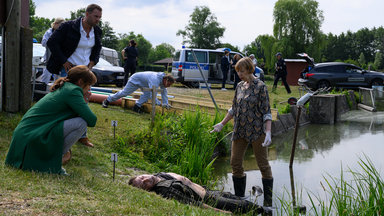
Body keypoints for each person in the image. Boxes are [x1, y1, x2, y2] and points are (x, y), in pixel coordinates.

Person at [5, 66, 97, 175]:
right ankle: (56, 159)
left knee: (79, 121)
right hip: (33, 136)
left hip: (25, 136)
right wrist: (85, 101)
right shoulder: (73, 91)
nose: (89, 89)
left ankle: (56, 157)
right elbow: (92, 120)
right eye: (89, 85)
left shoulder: (65, 87)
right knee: (81, 123)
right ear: (80, 82)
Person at [210, 57, 274, 207]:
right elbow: (234, 109)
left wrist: (269, 132)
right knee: (235, 163)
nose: (239, 74)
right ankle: (240, 199)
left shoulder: (260, 86)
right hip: (240, 130)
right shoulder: (239, 86)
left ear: (250, 69)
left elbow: (267, 112)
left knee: (263, 164)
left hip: (257, 131)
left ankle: (268, 202)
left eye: (242, 71)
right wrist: (221, 123)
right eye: (238, 71)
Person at [47, 4, 102, 147]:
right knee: (69, 102)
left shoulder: (97, 31)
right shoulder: (68, 26)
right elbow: (52, 42)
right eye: (96, 16)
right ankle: (60, 130)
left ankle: (81, 134)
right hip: (70, 70)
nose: (98, 20)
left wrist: (92, 62)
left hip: (86, 71)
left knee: (85, 100)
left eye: (100, 17)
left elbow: (97, 48)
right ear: (87, 14)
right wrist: (63, 61)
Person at [129, 172, 268, 214]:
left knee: (238, 198)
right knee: (243, 205)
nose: (146, 179)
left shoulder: (159, 175)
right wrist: (219, 211)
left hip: (207, 190)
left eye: (142, 177)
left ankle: (264, 206)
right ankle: (266, 210)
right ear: (147, 190)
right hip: (208, 198)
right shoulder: (163, 189)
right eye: (144, 184)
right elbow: (192, 203)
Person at [102, 72, 175, 113]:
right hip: (135, 79)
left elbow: (164, 92)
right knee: (124, 93)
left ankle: (136, 107)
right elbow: (152, 95)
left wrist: (166, 103)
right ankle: (107, 100)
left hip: (145, 83)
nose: (168, 86)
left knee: (146, 94)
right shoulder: (155, 80)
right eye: (169, 84)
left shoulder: (163, 80)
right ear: (166, 80)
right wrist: (159, 103)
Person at [40, 17, 65, 84]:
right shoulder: (49, 32)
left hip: (59, 58)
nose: (62, 27)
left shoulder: (63, 33)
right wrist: (53, 44)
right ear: (56, 24)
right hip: (49, 57)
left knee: (58, 77)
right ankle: (43, 88)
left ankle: (56, 89)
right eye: (61, 25)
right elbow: (44, 43)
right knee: (46, 74)